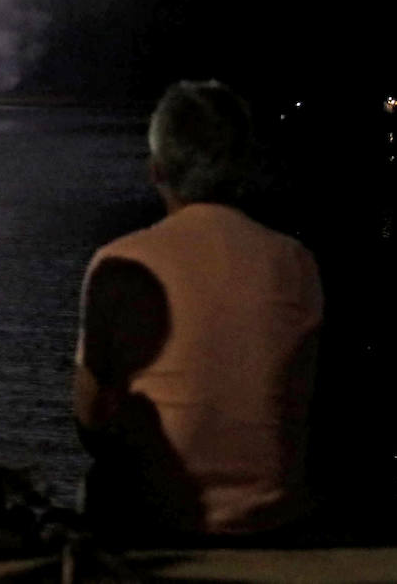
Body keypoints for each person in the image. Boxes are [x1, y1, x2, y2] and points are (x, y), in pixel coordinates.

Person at [73, 80, 322, 546]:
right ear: (244, 167)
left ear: (156, 170)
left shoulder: (118, 264)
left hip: (150, 522)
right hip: (272, 526)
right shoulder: (295, 263)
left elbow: (89, 423)